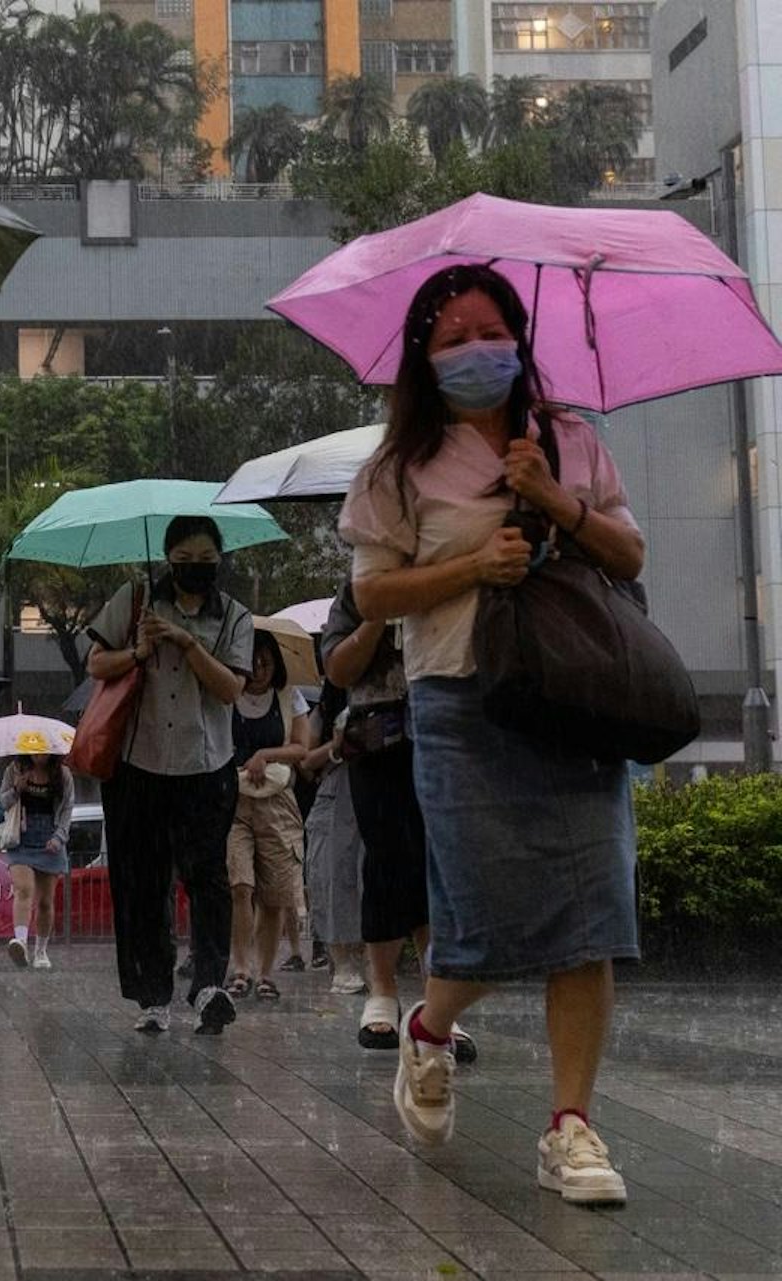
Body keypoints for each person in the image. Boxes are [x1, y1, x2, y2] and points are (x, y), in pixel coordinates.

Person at [340, 263, 644, 1205]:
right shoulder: (399, 467)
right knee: (480, 912)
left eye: (491, 331)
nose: (477, 349)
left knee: (592, 910)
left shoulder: (570, 441)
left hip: (575, 698)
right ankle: (429, 1029)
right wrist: (474, 565)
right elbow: (372, 594)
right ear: (424, 359)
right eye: (454, 337)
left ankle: (571, 1126)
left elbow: (630, 553)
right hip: (459, 699)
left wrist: (555, 499)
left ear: (521, 338)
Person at [85, 516, 253, 1037]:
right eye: (183, 560)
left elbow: (230, 689)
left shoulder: (236, 617)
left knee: (208, 880)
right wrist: (137, 651)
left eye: (206, 560)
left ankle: (208, 987)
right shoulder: (135, 599)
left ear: (220, 560)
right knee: (143, 883)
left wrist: (186, 642)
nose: (195, 569)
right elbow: (96, 664)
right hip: (139, 766)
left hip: (207, 767)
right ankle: (152, 996)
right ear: (167, 559)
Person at [320, 576, 476, 1061]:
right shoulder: (360, 587)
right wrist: (375, 618)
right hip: (376, 738)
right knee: (385, 857)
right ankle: (382, 989)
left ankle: (440, 1001)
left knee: (437, 863)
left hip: (443, 731)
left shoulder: (452, 573)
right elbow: (338, 670)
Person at [225, 628, 311, 1001]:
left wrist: (265, 755)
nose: (259, 671)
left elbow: (302, 748)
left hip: (278, 802)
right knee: (239, 885)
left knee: (274, 894)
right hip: (235, 801)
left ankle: (265, 972)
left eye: (266, 663)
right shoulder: (227, 695)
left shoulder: (290, 697)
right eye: (253, 663)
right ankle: (240, 968)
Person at [298, 688, 368, 996]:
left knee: (369, 878)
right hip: (335, 793)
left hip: (375, 789)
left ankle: (367, 959)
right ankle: (341, 961)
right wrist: (336, 746)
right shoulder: (327, 708)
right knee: (332, 877)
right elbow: (305, 761)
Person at [0, 752, 74, 971]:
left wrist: (59, 837)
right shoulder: (14, 769)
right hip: (20, 839)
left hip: (50, 840)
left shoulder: (63, 774)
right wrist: (16, 789)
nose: (39, 755)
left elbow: (67, 809)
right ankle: (20, 941)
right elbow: (1, 802)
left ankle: (41, 950)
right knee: (23, 889)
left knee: (45, 901)